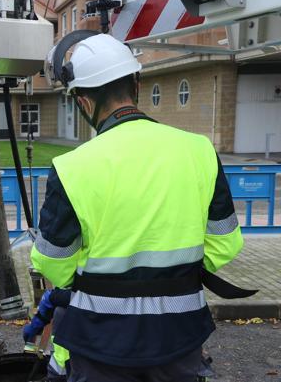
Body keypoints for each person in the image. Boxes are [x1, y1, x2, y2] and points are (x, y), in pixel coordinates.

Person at [27, 34, 243, 381]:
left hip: (99, 342)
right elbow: (226, 243)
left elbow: (52, 262)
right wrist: (170, 275)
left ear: (83, 102)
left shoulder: (72, 167)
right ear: (137, 84)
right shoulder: (199, 150)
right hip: (180, 337)